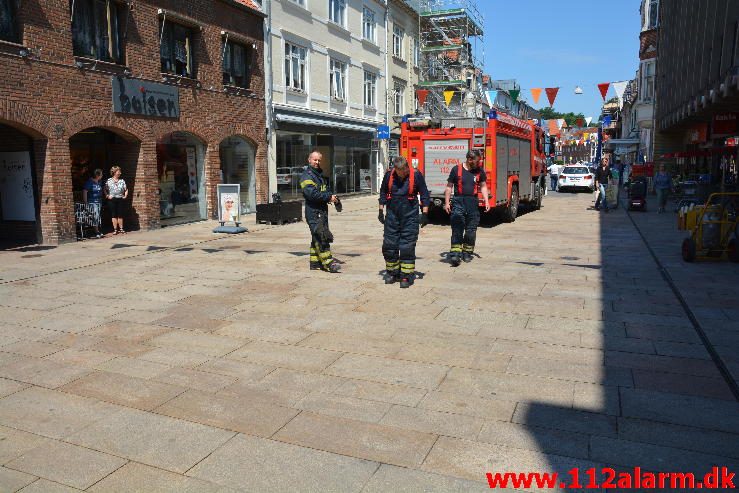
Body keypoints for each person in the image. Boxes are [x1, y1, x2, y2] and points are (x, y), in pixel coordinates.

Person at [378, 156, 430, 288]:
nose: (403, 172)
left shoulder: (416, 175)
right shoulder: (389, 175)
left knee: (406, 246)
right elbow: (383, 192)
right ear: (395, 169)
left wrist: (424, 213)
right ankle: (392, 272)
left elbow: (424, 194)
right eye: (400, 170)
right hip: (392, 215)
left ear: (407, 166)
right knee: (389, 245)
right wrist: (380, 211)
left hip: (410, 216)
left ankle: (406, 275)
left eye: (404, 169)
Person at [444, 150, 490, 266]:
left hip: (472, 202)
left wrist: (486, 200)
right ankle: (455, 253)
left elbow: (483, 186)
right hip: (458, 201)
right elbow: (449, 187)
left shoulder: (480, 171)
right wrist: (447, 203)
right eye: (477, 161)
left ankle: (467, 252)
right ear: (470, 160)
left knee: (471, 230)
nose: (479, 163)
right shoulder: (456, 169)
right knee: (457, 228)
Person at [300, 151, 340, 273]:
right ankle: (328, 263)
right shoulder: (307, 176)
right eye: (315, 160)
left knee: (316, 236)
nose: (317, 162)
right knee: (322, 236)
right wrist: (328, 198)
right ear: (309, 160)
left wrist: (332, 197)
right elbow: (312, 194)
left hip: (321, 211)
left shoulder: (319, 175)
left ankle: (315, 263)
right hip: (313, 211)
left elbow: (324, 190)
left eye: (319, 160)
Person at [105, 166, 128, 233]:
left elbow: (126, 189)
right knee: (113, 214)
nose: (120, 173)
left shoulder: (122, 181)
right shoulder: (108, 181)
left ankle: (121, 228)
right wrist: (107, 195)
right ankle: (115, 229)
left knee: (120, 214)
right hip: (112, 199)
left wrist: (125, 195)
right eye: (118, 171)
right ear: (114, 172)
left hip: (120, 198)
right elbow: (105, 189)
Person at [82, 168, 104, 238]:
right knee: (95, 216)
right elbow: (85, 191)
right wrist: (85, 202)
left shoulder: (99, 182)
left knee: (97, 217)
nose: (102, 175)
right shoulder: (90, 182)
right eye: (101, 174)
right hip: (92, 202)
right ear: (97, 175)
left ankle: (97, 230)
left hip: (99, 202)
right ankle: (96, 231)